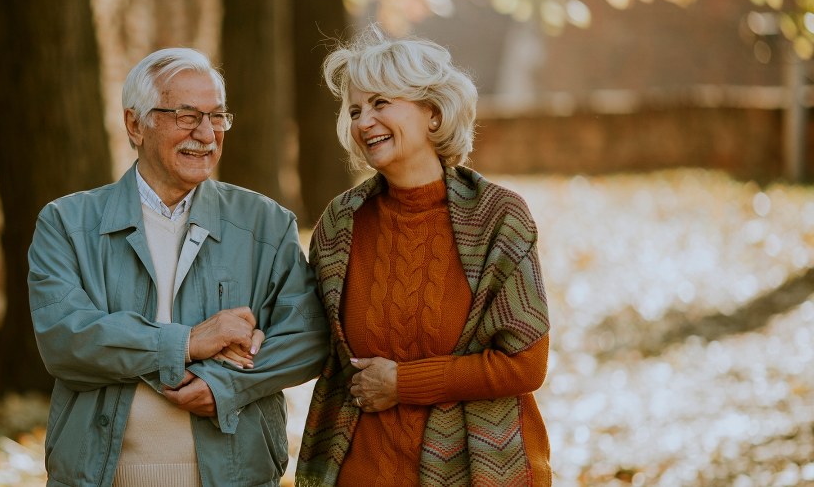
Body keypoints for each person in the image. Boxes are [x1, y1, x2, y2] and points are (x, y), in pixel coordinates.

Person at [29, 47, 329, 487]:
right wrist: (187, 342)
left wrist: (226, 387)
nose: (206, 134)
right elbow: (65, 338)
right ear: (136, 124)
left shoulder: (266, 223)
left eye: (217, 116)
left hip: (235, 475)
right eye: (186, 116)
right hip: (100, 477)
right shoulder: (66, 223)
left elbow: (307, 337)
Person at [296, 29, 551, 486]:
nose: (363, 121)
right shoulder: (341, 223)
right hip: (360, 471)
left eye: (380, 103)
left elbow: (525, 364)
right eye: (355, 110)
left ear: (432, 113)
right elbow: (312, 341)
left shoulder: (497, 217)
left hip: (476, 472)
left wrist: (403, 384)